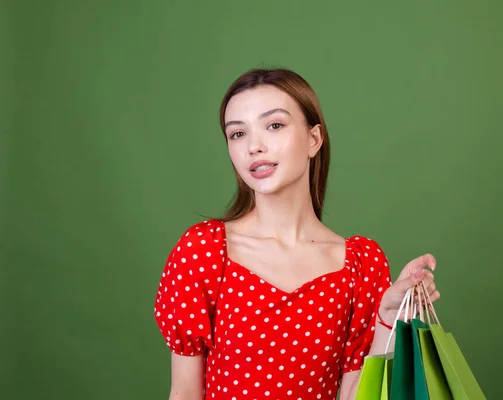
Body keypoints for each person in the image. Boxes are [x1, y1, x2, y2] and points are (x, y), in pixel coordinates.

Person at [153, 68, 440, 400]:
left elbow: (353, 396)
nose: (254, 147)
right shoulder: (203, 251)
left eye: (274, 125)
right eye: (237, 134)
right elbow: (185, 392)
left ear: (314, 139)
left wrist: (387, 322)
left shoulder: (361, 265)